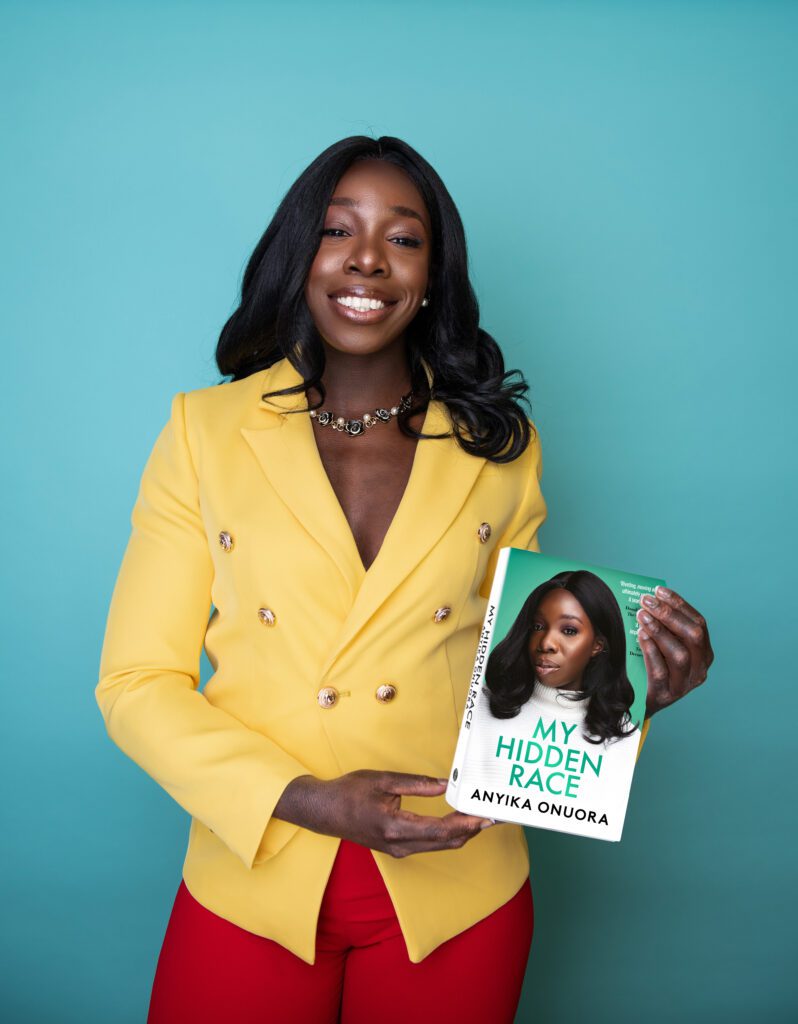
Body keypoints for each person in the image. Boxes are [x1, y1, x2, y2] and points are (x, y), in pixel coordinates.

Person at [96, 135, 714, 1024]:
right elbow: (135, 683)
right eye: (338, 230)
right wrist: (308, 799)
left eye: (403, 238)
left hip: (457, 888)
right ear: (300, 252)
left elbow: (525, 676)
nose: (367, 261)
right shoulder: (203, 432)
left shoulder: (501, 449)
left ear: (433, 274)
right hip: (253, 875)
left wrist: (634, 692)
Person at [485, 569, 639, 743]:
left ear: (597, 646)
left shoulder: (623, 736)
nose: (545, 644)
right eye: (537, 627)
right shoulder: (481, 706)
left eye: (569, 630)